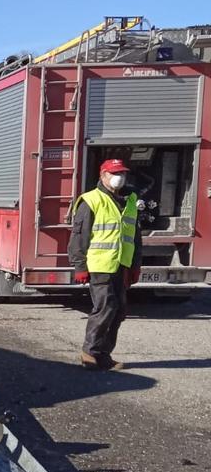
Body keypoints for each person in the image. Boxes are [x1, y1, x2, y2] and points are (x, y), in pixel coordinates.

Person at [67, 158, 143, 370]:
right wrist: (80, 266)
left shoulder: (129, 201)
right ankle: (89, 353)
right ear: (103, 176)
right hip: (99, 265)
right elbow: (79, 237)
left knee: (118, 310)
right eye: (114, 173)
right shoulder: (91, 200)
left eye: (122, 174)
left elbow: (135, 237)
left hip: (120, 264)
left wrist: (135, 264)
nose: (119, 178)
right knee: (105, 307)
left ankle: (103, 355)